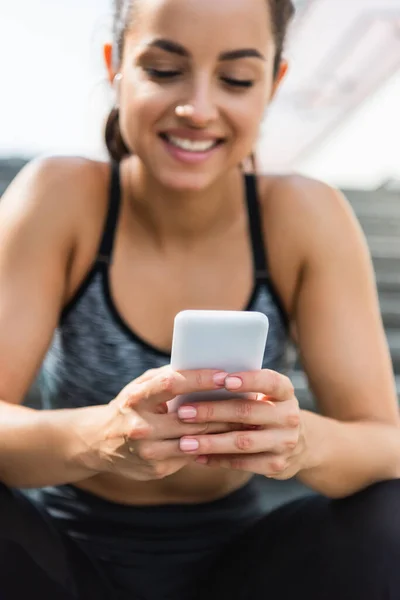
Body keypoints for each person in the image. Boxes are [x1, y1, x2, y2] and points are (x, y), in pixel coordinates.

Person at [1, 0, 400, 598]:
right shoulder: (60, 194)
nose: (198, 108)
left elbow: (383, 443)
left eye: (236, 79)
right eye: (163, 70)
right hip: (58, 559)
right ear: (117, 68)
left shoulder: (303, 215)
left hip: (240, 566)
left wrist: (300, 441)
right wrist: (101, 439)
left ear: (273, 84)